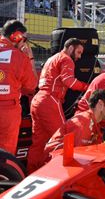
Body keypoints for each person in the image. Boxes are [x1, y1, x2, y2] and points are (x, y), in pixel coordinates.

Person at [27, 38, 89, 173]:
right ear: (71, 48)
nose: (79, 57)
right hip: (50, 101)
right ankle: (66, 174)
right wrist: (87, 87)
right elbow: (69, 81)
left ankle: (31, 173)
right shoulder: (67, 59)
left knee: (38, 142)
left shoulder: (52, 58)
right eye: (78, 52)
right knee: (65, 137)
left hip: (37, 100)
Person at [43, 89, 105, 163]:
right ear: (100, 104)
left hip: (62, 162)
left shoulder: (93, 123)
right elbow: (79, 158)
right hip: (53, 164)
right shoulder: (84, 122)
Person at [0, 20, 38, 154]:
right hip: (8, 112)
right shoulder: (19, 57)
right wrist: (29, 58)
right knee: (5, 156)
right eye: (24, 38)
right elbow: (31, 86)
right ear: (16, 36)